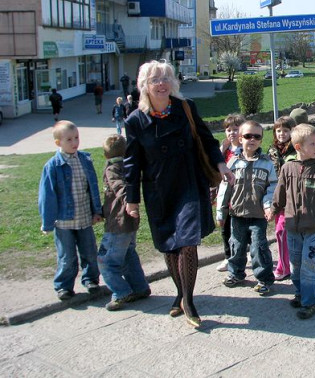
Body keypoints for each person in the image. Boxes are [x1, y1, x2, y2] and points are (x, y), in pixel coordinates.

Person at [124, 60, 233, 328]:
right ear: (145, 86)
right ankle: (179, 293)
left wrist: (221, 165)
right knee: (169, 246)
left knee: (187, 241)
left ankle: (188, 300)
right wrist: (131, 199)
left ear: (172, 83)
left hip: (188, 184)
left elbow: (207, 139)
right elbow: (131, 162)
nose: (161, 84)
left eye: (165, 78)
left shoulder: (185, 108)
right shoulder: (135, 120)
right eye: (154, 80)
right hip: (158, 190)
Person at [271, 123, 315, 320]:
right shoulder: (288, 168)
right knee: (295, 265)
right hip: (292, 228)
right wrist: (273, 209)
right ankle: (300, 293)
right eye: (312, 144)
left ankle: (310, 302)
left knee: (309, 265)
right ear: (299, 147)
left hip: (312, 229)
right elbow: (280, 193)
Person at [38, 120, 102, 301]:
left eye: (76, 138)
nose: (74, 143)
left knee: (89, 251)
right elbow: (47, 196)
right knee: (67, 256)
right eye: (69, 140)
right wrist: (47, 221)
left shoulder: (85, 160)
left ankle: (91, 280)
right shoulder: (52, 166)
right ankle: (64, 286)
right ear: (58, 143)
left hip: (84, 218)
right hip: (64, 221)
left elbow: (93, 187)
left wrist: (96, 211)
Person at [217, 121, 277, 296]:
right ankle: (236, 273)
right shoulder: (233, 163)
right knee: (236, 245)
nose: (252, 140)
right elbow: (224, 189)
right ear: (240, 138)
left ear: (261, 140)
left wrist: (268, 207)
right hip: (237, 213)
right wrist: (221, 212)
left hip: (258, 215)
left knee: (259, 247)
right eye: (248, 136)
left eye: (257, 136)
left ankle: (264, 279)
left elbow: (272, 188)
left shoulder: (267, 163)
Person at [98, 134, 151, 311]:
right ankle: (139, 287)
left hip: (118, 224)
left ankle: (121, 292)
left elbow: (120, 187)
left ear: (106, 154)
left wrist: (130, 203)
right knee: (128, 255)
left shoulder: (112, 169)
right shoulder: (129, 166)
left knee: (106, 261)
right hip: (130, 223)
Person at [267, 116, 298, 281]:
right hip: (275, 196)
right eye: (278, 130)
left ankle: (284, 266)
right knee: (282, 231)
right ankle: (287, 262)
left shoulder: (297, 150)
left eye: (286, 130)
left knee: (281, 231)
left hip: (292, 198)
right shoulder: (272, 150)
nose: (282, 134)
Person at [215, 113, 245, 273]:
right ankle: (228, 256)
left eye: (235, 129)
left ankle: (241, 256)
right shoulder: (224, 151)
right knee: (225, 228)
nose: (232, 132)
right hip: (225, 196)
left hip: (241, 196)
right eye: (229, 129)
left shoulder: (246, 148)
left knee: (240, 229)